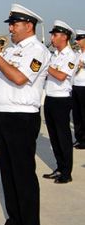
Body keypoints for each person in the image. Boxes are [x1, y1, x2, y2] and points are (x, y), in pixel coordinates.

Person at [0, 3, 49, 225]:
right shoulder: (10, 51)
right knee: (8, 175)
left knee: (24, 176)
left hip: (22, 117)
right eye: (10, 24)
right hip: (4, 115)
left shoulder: (37, 51)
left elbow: (19, 78)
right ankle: (15, 220)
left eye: (14, 24)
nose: (10, 28)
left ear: (28, 26)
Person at [42, 20, 77, 184]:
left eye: (55, 34)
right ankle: (59, 167)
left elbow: (61, 76)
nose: (52, 37)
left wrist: (45, 66)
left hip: (61, 101)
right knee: (54, 136)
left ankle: (66, 172)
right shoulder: (54, 55)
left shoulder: (71, 56)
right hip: (49, 99)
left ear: (65, 37)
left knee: (63, 137)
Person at [72, 29, 85, 150]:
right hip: (75, 85)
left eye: (79, 39)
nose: (77, 41)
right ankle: (79, 138)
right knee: (76, 115)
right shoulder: (76, 54)